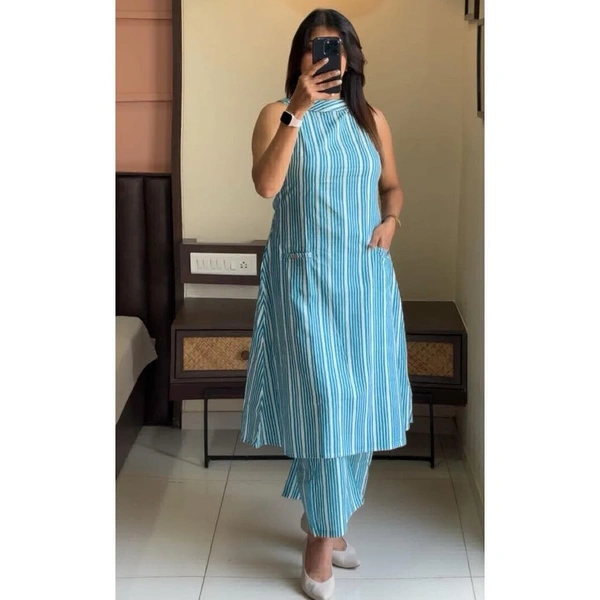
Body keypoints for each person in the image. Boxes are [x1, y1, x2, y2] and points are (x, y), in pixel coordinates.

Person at [240, 8, 412, 600]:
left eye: (336, 47)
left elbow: (392, 187)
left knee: (359, 408)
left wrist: (390, 221)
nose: (326, 57)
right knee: (327, 408)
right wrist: (298, 107)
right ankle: (320, 539)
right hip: (304, 284)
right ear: (300, 56)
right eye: (316, 46)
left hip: (364, 284)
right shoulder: (276, 114)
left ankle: (330, 522)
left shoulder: (372, 120)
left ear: (352, 56)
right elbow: (267, 185)